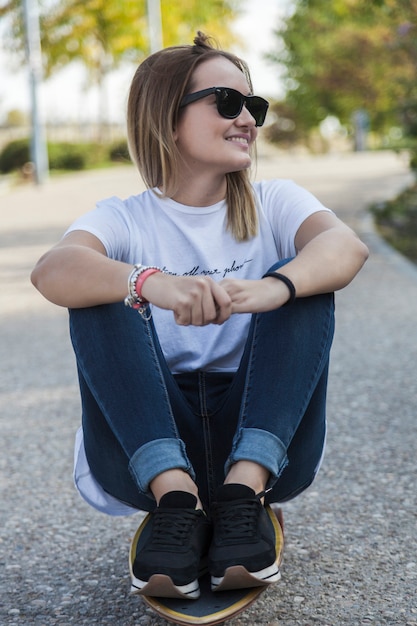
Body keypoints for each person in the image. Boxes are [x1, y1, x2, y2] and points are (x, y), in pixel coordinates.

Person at [31, 32, 368, 601]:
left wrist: (274, 288)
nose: (248, 120)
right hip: (148, 444)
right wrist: (148, 283)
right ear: (167, 118)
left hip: (263, 438)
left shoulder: (276, 202)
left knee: (307, 279)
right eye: (227, 103)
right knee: (100, 286)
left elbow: (347, 248)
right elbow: (51, 271)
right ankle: (176, 501)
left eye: (253, 106)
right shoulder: (124, 219)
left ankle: (243, 494)